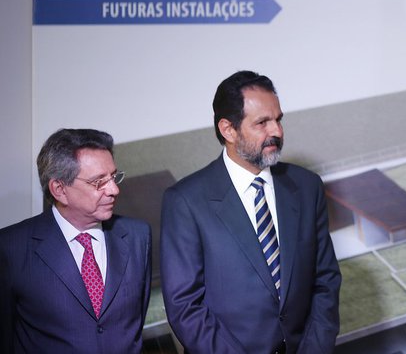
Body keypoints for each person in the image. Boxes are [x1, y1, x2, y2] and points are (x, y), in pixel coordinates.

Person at [161, 70, 341, 353]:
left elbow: (326, 281)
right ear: (228, 129)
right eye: (262, 123)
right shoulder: (185, 201)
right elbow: (185, 307)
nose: (277, 132)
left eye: (279, 119)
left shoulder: (307, 187)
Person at [0, 128, 151, 353]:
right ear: (59, 189)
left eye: (113, 176)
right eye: (99, 182)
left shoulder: (138, 236)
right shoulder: (11, 248)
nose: (114, 189)